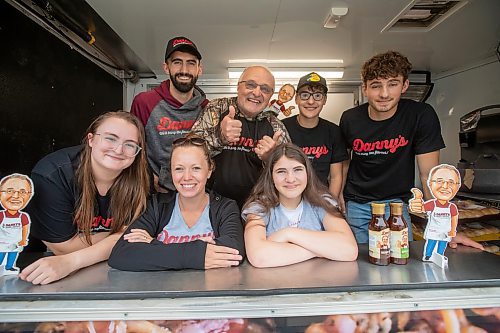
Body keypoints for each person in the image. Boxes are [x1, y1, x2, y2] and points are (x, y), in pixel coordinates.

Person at [339, 50, 482, 250]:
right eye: (376, 86)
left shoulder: (420, 115)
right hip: (357, 205)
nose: (384, 94)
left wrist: (444, 229)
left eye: (393, 84)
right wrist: (338, 200)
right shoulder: (350, 118)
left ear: (405, 85)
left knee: (401, 259)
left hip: (397, 205)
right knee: (360, 264)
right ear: (364, 89)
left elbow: (428, 175)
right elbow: (343, 164)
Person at [19, 111, 150, 284]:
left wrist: (72, 261)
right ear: (91, 139)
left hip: (109, 272)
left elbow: (135, 238)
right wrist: (118, 234)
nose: (119, 150)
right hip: (43, 267)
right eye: (110, 138)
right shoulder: (53, 174)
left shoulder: (139, 176)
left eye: (130, 144)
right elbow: (62, 248)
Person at [109, 134, 244, 270]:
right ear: (171, 172)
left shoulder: (226, 207)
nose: (187, 177)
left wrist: (155, 245)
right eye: (179, 169)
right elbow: (121, 254)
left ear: (209, 170)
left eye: (196, 168)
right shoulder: (157, 206)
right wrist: (194, 254)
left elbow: (234, 252)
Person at [242, 143, 357, 268]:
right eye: (281, 172)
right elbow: (259, 257)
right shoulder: (259, 207)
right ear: (271, 177)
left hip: (320, 283)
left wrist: (288, 233)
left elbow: (349, 250)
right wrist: (321, 250)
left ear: (308, 173)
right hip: (276, 284)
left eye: (297, 170)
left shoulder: (323, 202)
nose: (290, 179)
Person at [191, 65, 290, 207]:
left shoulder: (275, 126)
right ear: (238, 87)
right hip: (211, 204)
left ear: (270, 96)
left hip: (256, 207)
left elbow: (291, 173)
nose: (257, 93)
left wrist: (271, 160)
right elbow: (189, 153)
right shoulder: (217, 109)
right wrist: (220, 137)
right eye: (250, 85)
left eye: (265, 89)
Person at [131, 36, 208, 192]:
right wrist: (146, 176)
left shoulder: (207, 108)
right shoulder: (145, 102)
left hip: (194, 190)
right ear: (166, 67)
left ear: (200, 69)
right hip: (154, 192)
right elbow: (133, 145)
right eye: (177, 62)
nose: (184, 70)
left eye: (191, 63)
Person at [282, 72, 348, 201]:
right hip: (288, 200)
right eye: (305, 95)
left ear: (324, 100)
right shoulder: (283, 128)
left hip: (321, 200)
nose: (311, 101)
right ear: (296, 99)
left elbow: (335, 177)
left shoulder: (333, 131)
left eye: (317, 96)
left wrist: (329, 206)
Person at [409, 164, 460, 260]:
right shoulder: (432, 204)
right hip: (433, 230)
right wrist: (417, 204)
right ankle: (428, 255)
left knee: (442, 244)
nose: (445, 186)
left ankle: (440, 256)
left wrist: (453, 230)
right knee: (431, 242)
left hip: (445, 231)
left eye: (451, 182)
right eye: (439, 181)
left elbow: (454, 218)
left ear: (457, 186)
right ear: (430, 184)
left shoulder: (452, 207)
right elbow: (421, 208)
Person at [0, 174, 33, 274]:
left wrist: (23, 240)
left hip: (16, 242)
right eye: (10, 191)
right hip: (2, 242)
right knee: (1, 255)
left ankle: (9, 267)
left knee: (13, 255)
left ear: (29, 195)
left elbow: (25, 228)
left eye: (23, 192)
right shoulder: (1, 215)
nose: (16, 196)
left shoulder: (23, 217)